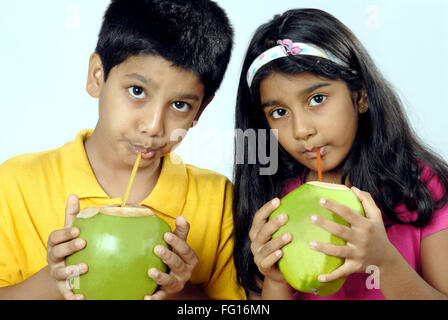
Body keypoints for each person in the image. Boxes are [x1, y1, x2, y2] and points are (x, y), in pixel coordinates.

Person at [0, 0, 246, 300]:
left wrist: (180, 292)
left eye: (180, 105)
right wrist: (53, 283)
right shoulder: (15, 183)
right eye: (137, 91)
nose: (154, 126)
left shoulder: (216, 198)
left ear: (200, 110)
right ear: (97, 76)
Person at [232, 8, 448, 299]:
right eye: (279, 112)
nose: (301, 130)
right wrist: (276, 280)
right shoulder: (273, 202)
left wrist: (384, 262)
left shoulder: (422, 185)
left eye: (317, 99)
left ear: (360, 96)